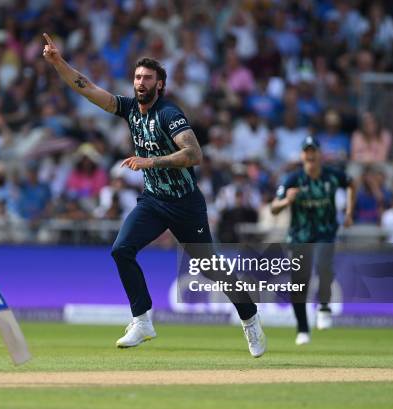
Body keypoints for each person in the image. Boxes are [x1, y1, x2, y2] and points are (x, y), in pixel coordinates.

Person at [42, 33, 266, 357]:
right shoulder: (131, 109)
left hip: (186, 204)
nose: (140, 82)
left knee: (211, 266)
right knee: (121, 250)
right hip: (153, 201)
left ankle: (250, 319)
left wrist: (152, 161)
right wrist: (58, 62)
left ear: (160, 84)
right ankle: (142, 319)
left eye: (147, 78)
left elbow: (194, 154)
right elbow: (87, 87)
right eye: (137, 77)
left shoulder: (169, 114)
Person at [271, 136, 356, 345]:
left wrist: (349, 212)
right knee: (300, 282)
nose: (310, 155)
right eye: (306, 151)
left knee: (323, 265)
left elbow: (352, 183)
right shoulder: (293, 179)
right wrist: (286, 201)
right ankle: (302, 328)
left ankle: (324, 306)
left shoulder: (332, 176)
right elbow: (273, 208)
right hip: (300, 235)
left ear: (319, 154)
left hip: (325, 231)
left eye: (313, 150)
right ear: (302, 155)